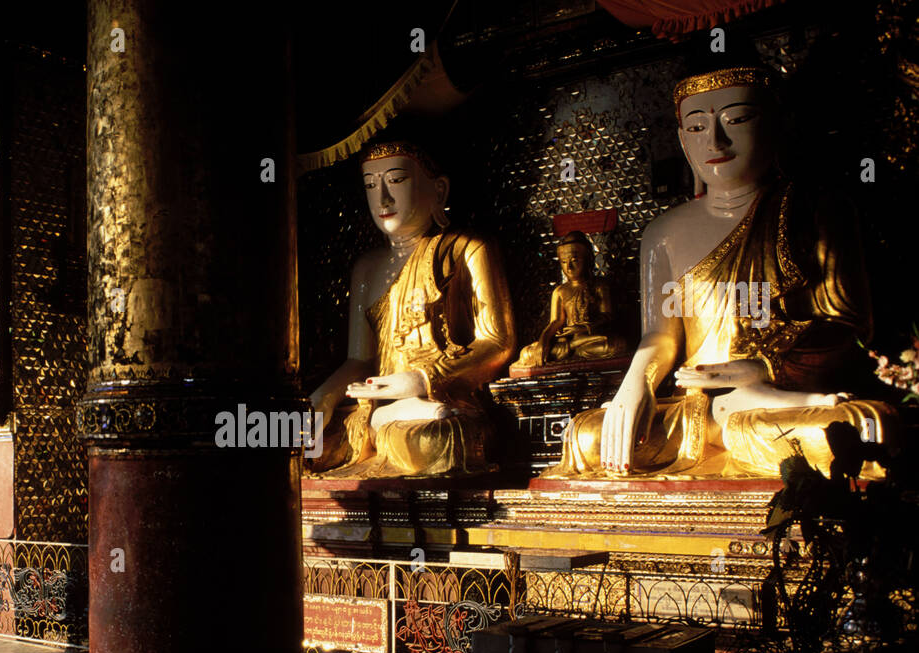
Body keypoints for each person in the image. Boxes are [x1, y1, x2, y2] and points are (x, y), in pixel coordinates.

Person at [550, 56, 897, 479]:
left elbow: (849, 323)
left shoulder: (818, 210)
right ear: (681, 139)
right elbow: (660, 334)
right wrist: (635, 384)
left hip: (781, 396)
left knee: (856, 429)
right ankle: (723, 433)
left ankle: (737, 431)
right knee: (587, 437)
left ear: (776, 125)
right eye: (696, 127)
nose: (714, 142)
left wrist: (764, 367)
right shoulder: (663, 233)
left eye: (737, 119)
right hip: (695, 408)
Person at [307, 140, 516, 477]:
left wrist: (421, 379)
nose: (383, 198)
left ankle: (391, 418)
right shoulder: (367, 267)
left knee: (445, 440)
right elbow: (359, 359)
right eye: (371, 186)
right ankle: (381, 418)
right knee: (301, 445)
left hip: (442, 401)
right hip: (372, 405)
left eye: (397, 180)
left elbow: (497, 341)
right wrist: (324, 398)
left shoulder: (466, 249)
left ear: (439, 190)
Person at [515, 231, 622, 367]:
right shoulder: (560, 291)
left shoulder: (599, 286)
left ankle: (572, 349)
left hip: (591, 338)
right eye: (564, 262)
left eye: (574, 261)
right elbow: (555, 321)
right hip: (568, 341)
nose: (569, 267)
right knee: (527, 353)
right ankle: (571, 348)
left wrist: (582, 328)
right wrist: (544, 341)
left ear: (588, 259)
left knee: (614, 346)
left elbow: (607, 316)